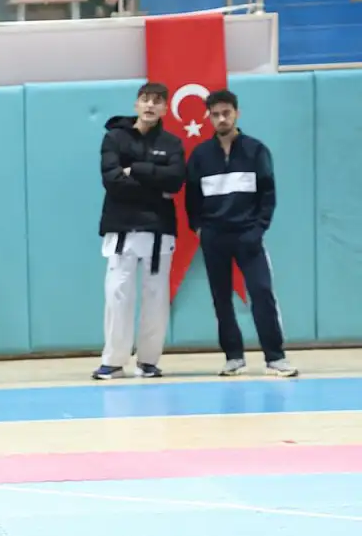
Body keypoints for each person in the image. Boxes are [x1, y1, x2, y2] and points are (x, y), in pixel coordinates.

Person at [185, 89, 298, 378]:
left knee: (261, 293)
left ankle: (275, 357)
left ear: (237, 113)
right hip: (214, 238)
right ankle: (233, 357)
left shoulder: (256, 150)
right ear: (209, 118)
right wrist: (200, 228)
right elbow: (192, 198)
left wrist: (258, 229)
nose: (221, 119)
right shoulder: (200, 155)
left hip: (249, 236)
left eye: (226, 113)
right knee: (221, 298)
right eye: (215, 114)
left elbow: (268, 195)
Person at [92, 81, 185, 380]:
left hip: (159, 230)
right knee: (118, 294)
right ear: (136, 104)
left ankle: (148, 361)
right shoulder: (115, 138)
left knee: (156, 297)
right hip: (122, 228)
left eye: (157, 101)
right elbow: (113, 181)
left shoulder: (172, 143)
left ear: (165, 108)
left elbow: (175, 181)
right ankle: (114, 361)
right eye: (145, 99)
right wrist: (156, 187)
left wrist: (137, 170)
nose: (150, 105)